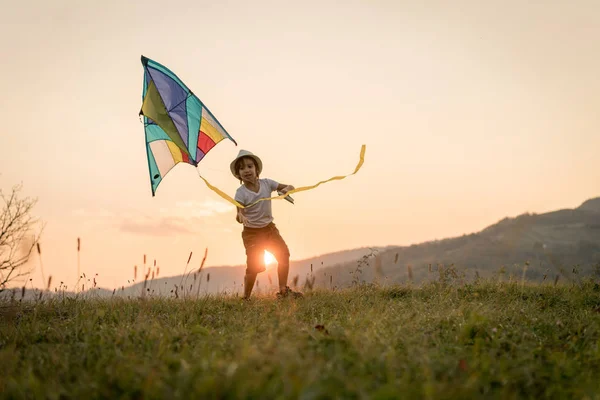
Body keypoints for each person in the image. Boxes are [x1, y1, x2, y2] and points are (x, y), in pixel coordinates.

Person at [231, 149, 303, 300]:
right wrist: (240, 216)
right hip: (251, 233)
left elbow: (290, 186)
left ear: (256, 169)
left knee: (283, 254)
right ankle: (246, 298)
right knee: (254, 267)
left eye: (250, 166)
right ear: (238, 174)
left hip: (269, 229)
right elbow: (239, 213)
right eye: (242, 168)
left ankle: (283, 291)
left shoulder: (267, 183)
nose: (246, 170)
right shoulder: (240, 193)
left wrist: (285, 191)